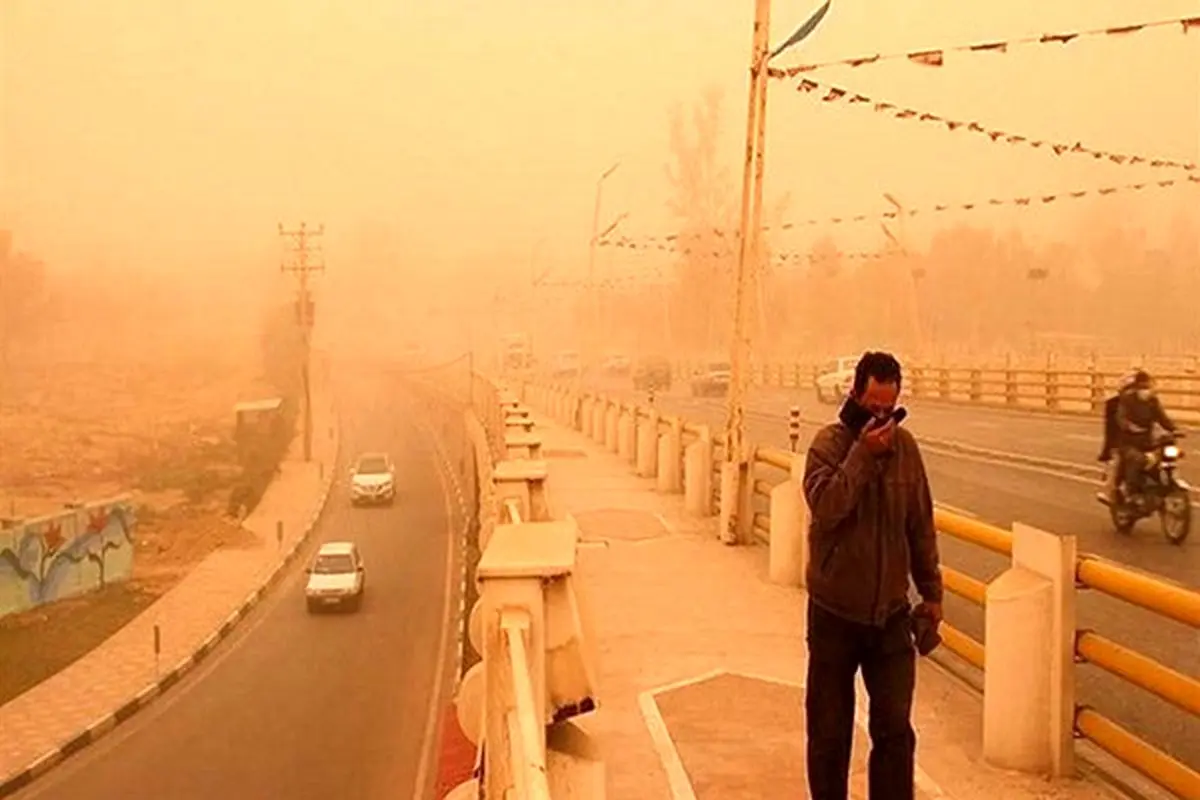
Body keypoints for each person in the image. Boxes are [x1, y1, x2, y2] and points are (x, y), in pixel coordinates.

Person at [802, 351, 943, 800]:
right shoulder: (827, 446)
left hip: (891, 617)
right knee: (829, 734)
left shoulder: (908, 451)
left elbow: (920, 526)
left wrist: (932, 596)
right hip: (834, 616)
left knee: (895, 731)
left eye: (890, 408)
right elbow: (827, 509)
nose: (882, 418)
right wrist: (863, 455)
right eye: (873, 406)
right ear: (856, 395)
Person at [1114, 370, 1177, 500]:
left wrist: (1174, 429)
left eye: (1148, 387)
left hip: (1147, 441)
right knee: (1138, 460)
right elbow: (1121, 418)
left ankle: (1158, 486)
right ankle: (1131, 492)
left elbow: (1162, 418)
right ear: (1136, 388)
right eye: (1143, 387)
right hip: (1129, 442)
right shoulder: (1127, 400)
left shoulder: (1153, 402)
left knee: (1163, 456)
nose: (1146, 391)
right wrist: (1130, 427)